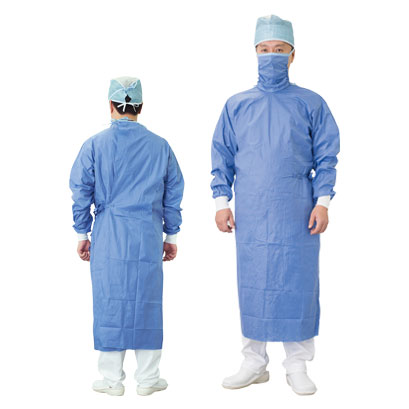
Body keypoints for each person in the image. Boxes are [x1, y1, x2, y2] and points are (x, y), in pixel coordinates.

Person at [210, 15, 340, 395]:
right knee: (254, 284)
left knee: (297, 283)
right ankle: (254, 362)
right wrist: (221, 201)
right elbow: (222, 156)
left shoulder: (310, 103)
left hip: (297, 209)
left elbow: (327, 156)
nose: (272, 55)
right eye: (265, 49)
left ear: (292, 55)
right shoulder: (237, 105)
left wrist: (323, 201)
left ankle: (297, 365)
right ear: (255, 53)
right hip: (251, 210)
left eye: (279, 49)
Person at [69, 76, 184, 396]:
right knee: (147, 300)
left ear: (110, 104)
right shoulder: (160, 146)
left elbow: (81, 191)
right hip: (147, 234)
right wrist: (171, 236)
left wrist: (82, 233)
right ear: (141, 107)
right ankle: (148, 379)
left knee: (110, 300)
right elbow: (173, 193)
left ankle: (111, 380)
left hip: (110, 233)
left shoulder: (95, 145)